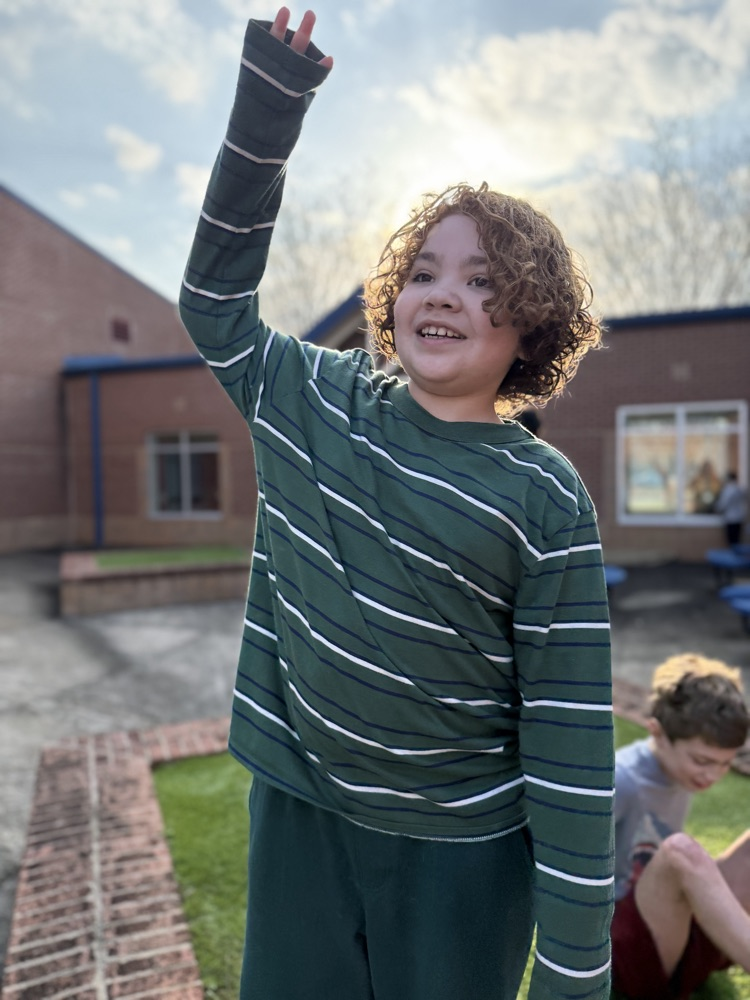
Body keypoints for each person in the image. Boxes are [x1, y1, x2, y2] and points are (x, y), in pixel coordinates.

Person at [179, 8, 614, 998]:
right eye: (423, 271)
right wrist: (269, 109)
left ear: (532, 323)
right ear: (392, 298)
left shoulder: (542, 499)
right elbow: (213, 303)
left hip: (463, 854)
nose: (443, 292)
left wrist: (578, 965)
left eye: (482, 279)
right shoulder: (310, 398)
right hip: (304, 814)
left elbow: (571, 736)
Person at [611, 653, 750, 1000]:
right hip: (620, 950)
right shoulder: (622, 780)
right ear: (657, 733)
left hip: (676, 937)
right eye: (702, 761)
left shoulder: (679, 775)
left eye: (724, 764)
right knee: (680, 852)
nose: (712, 775)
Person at [715, 472, 748, 548]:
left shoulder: (728, 490)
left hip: (731, 519)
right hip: (739, 518)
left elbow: (723, 504)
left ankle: (734, 558)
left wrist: (716, 509)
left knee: (732, 541)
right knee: (737, 541)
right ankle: (736, 557)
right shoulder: (739, 489)